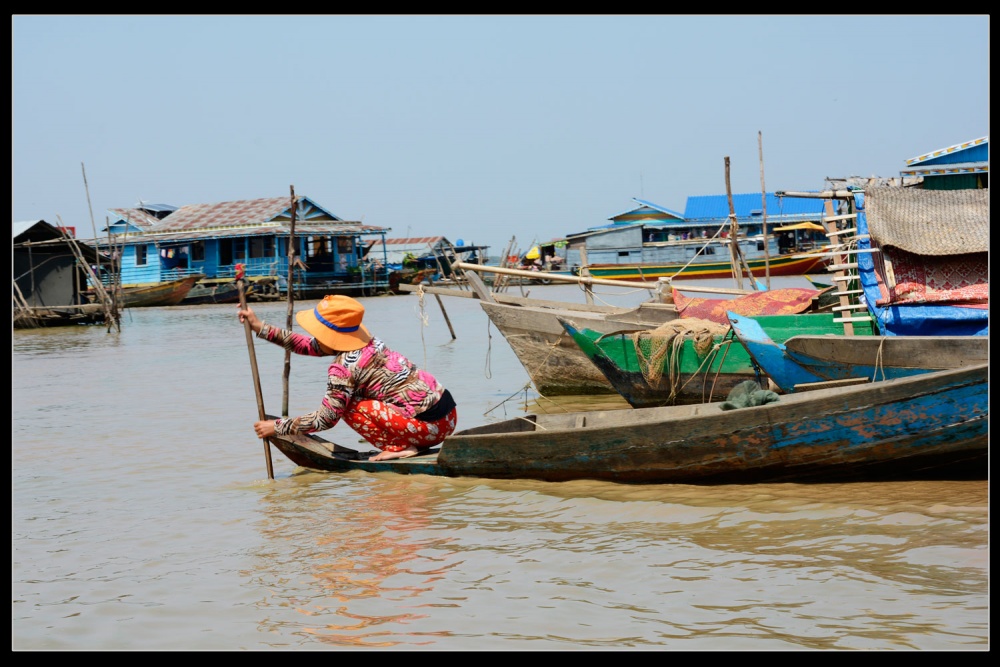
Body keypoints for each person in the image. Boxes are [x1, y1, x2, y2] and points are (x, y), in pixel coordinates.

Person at [237, 294, 457, 462]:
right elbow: (307, 345)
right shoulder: (370, 342)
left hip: (429, 428)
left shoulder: (344, 368)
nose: (315, 338)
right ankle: (407, 441)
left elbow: (326, 418)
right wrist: (260, 327)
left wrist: (277, 427)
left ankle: (401, 447)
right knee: (350, 399)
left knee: (347, 406)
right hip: (449, 418)